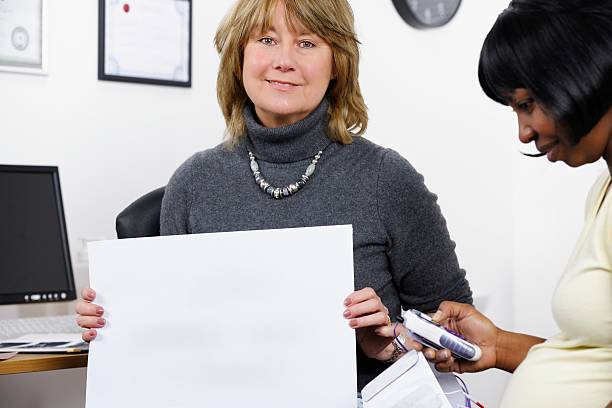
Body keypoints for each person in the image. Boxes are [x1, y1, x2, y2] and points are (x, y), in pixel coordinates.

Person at [76, 0, 473, 392]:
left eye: (307, 43)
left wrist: (390, 343)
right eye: (266, 39)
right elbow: (168, 339)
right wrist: (113, 325)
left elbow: (458, 330)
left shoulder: (386, 178)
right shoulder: (193, 183)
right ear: (239, 56)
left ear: (338, 64)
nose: (284, 60)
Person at [417, 1, 612, 406]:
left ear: (584, 72)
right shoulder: (603, 193)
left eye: (526, 105)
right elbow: (594, 363)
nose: (524, 133)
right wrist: (499, 347)